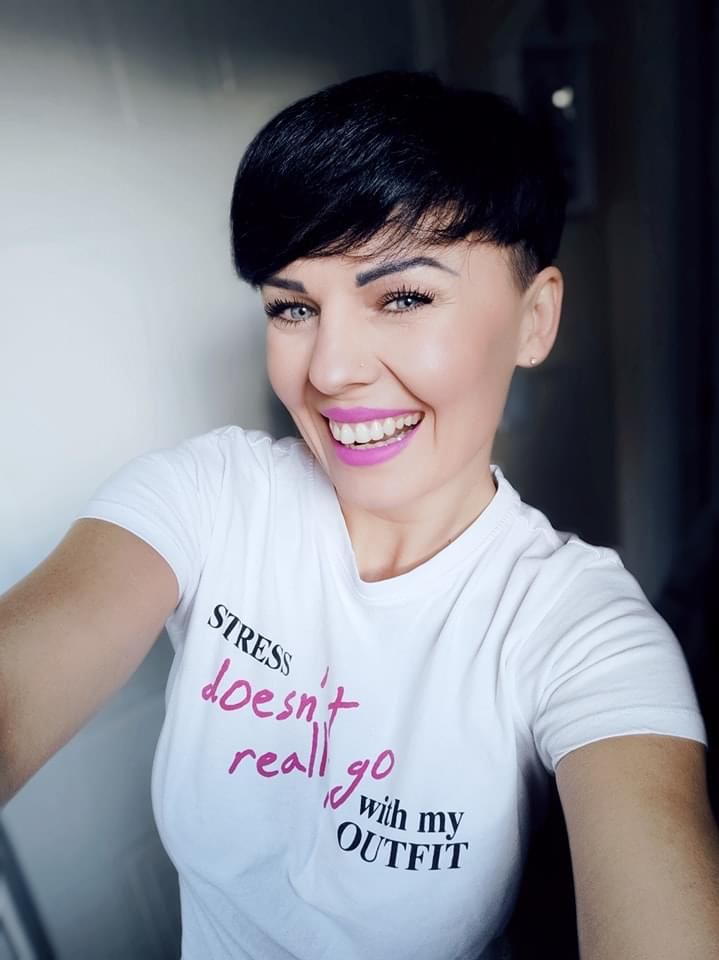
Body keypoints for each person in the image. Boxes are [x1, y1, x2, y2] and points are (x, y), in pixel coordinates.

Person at [1, 71, 718, 960]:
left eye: (402, 297)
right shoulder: (209, 496)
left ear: (535, 319)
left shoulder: (581, 629)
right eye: (292, 308)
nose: (330, 370)